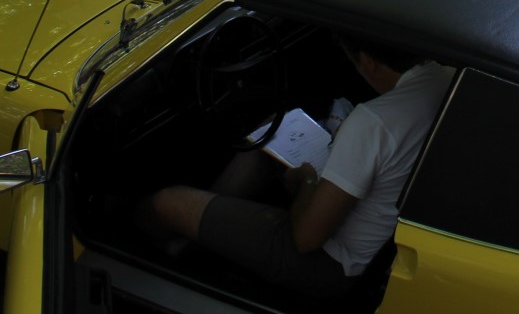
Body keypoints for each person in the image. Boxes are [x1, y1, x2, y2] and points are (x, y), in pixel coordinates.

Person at [146, 36, 454, 299]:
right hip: (382, 237)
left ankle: (149, 257)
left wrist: (307, 181)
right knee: (272, 129)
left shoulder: (374, 121)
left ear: (368, 62)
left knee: (166, 202)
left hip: (332, 264)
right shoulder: (446, 77)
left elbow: (306, 239)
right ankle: (199, 237)